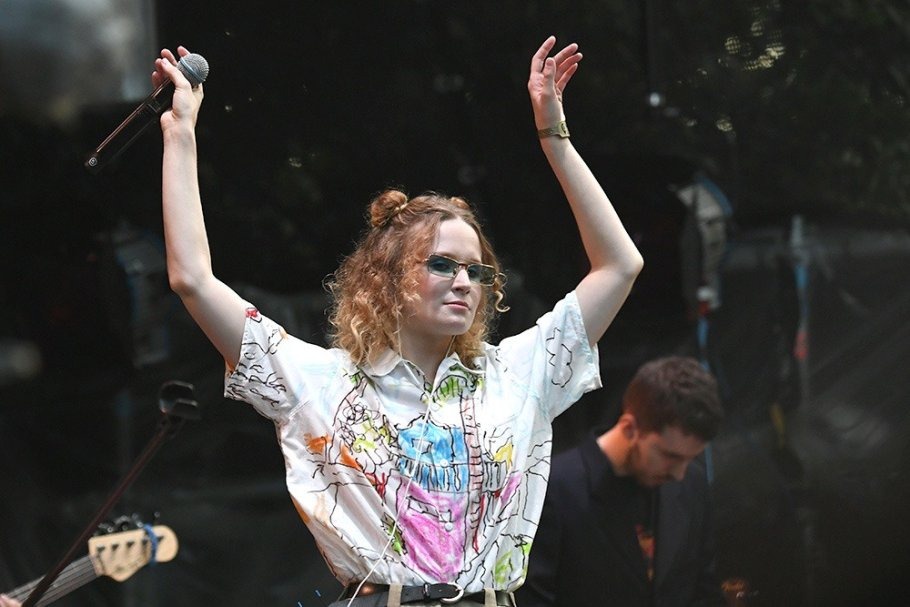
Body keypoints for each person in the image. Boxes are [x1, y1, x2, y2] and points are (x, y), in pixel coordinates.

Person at [154, 34, 642, 607]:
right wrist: (181, 134)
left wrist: (555, 137)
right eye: (442, 264)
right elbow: (193, 279)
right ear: (386, 278)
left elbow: (621, 265)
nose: (464, 281)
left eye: (477, 270)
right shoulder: (321, 381)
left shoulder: (518, 373)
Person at [515, 356, 726, 607]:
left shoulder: (692, 483)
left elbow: (704, 592)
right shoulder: (553, 489)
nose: (679, 474)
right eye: (670, 456)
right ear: (629, 427)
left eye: (690, 459)